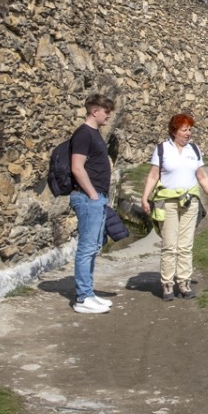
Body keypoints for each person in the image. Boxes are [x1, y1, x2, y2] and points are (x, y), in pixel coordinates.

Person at [141, 113, 208, 301]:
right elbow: (153, 175)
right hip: (167, 203)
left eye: (190, 129)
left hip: (189, 202)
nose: (188, 133)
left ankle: (184, 283)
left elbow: (201, 176)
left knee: (185, 245)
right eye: (184, 130)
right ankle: (167, 284)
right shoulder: (162, 149)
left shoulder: (194, 150)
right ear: (174, 131)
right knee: (169, 245)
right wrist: (145, 197)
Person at [69, 93, 116, 314]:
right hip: (89, 198)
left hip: (96, 197)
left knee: (94, 247)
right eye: (106, 111)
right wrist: (93, 195)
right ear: (94, 111)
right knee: (87, 248)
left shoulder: (94, 134)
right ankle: (82, 297)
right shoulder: (83, 134)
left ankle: (88, 293)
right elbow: (77, 167)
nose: (108, 116)